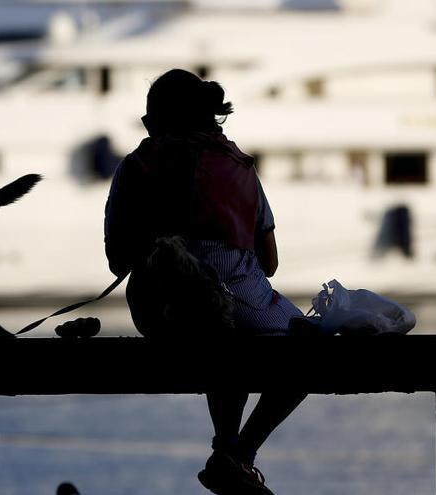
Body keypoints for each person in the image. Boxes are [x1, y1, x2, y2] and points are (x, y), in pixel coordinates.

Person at [103, 68, 306, 495]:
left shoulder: (134, 167)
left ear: (156, 120)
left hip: (159, 315)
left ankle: (229, 449)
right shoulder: (240, 167)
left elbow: (117, 260)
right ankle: (238, 454)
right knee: (304, 344)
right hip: (239, 309)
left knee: (215, 326)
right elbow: (268, 263)